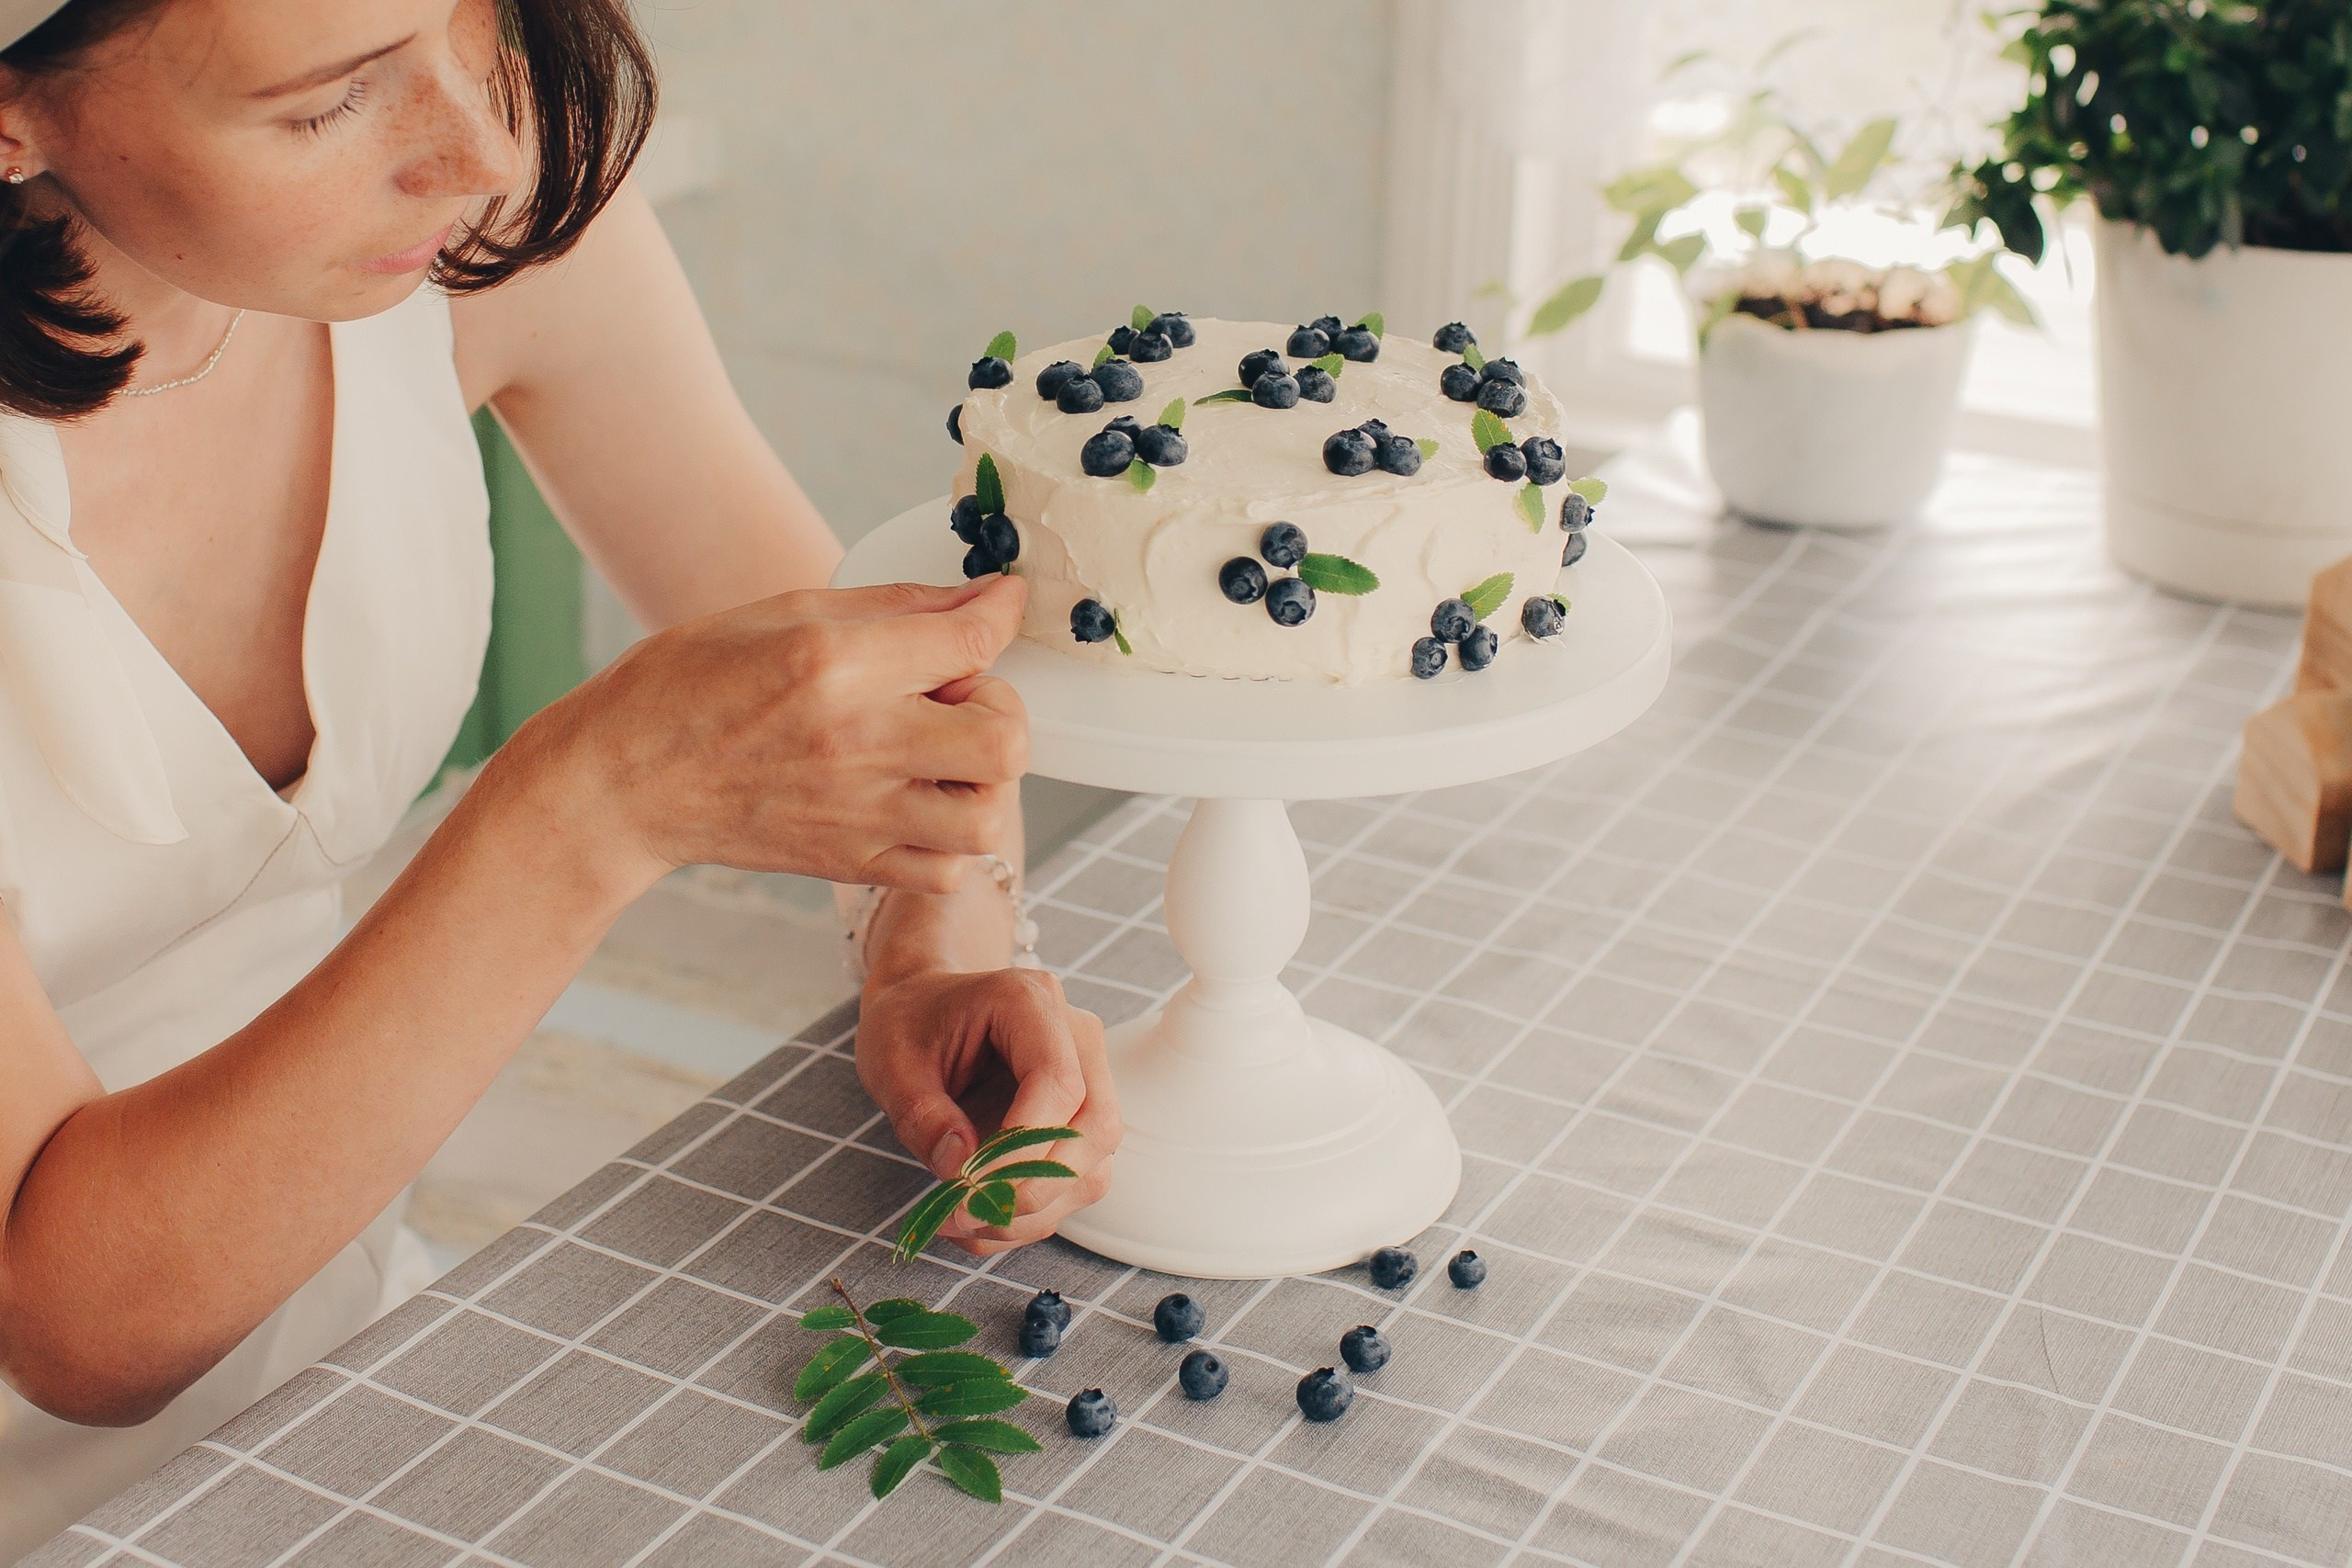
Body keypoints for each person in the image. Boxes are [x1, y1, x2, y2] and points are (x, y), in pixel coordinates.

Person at [0, 0, 1120, 1550]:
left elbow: (859, 698)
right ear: (12, 113)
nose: (473, 149)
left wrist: (934, 945)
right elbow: (83, 1329)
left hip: (328, 1347)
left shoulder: (474, 236)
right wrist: (588, 806)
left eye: (475, 14)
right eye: (330, 102)